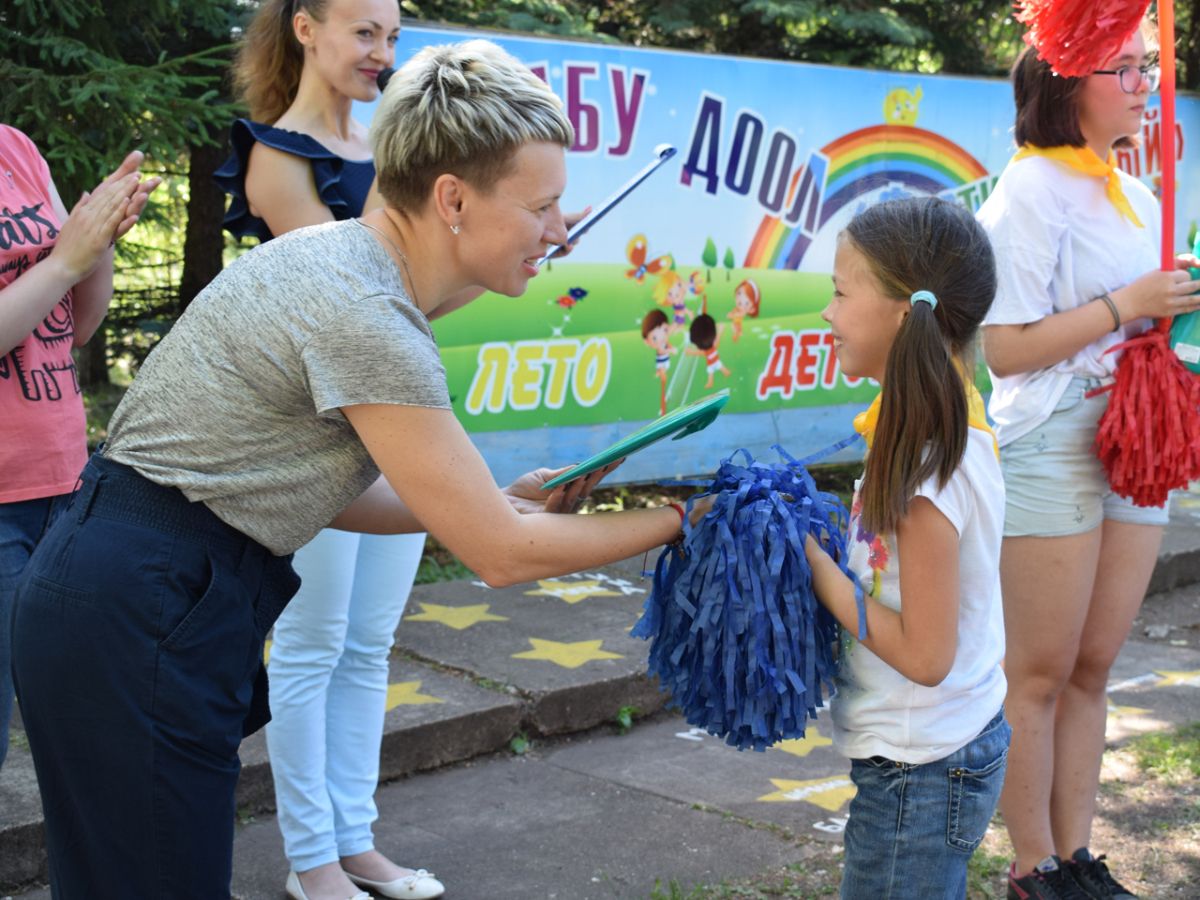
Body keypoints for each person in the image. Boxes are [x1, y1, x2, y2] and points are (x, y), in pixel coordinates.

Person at [10, 38, 694, 900]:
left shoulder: (346, 265)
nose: (560, 233)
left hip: (121, 594)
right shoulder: (370, 314)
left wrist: (491, 503)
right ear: (452, 198)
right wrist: (680, 525)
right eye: (545, 207)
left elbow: (314, 486)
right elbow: (499, 558)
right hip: (135, 609)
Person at [216, 2, 439, 897]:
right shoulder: (278, 156)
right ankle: (312, 863)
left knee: (370, 642)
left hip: (402, 415)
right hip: (310, 433)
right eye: (365, 34)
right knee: (312, 643)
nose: (383, 54)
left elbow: (415, 304)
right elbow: (345, 302)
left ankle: (356, 841)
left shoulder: (382, 153)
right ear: (306, 28)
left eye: (392, 37)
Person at [977, 24, 1200, 900]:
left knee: (1094, 665)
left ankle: (1078, 858)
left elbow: (1147, 319)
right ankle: (1032, 869)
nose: (1147, 81)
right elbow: (1004, 349)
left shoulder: (1138, 197)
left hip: (1135, 439)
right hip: (1054, 436)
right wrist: (1129, 302)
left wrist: (1173, 307)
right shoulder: (1028, 192)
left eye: (1151, 66)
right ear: (1070, 80)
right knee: (1035, 671)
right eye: (1129, 67)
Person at [803, 196, 1010, 899]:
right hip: (936, 749)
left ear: (901, 312)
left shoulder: (926, 468)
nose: (826, 312)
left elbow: (927, 656)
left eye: (838, 290)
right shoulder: (939, 428)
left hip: (920, 765)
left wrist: (816, 567)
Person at [0, 124, 158, 770]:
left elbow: (73, 328)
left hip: (64, 488)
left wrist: (101, 241)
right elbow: (58, 268)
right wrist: (68, 258)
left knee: (83, 715)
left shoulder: (15, 146)